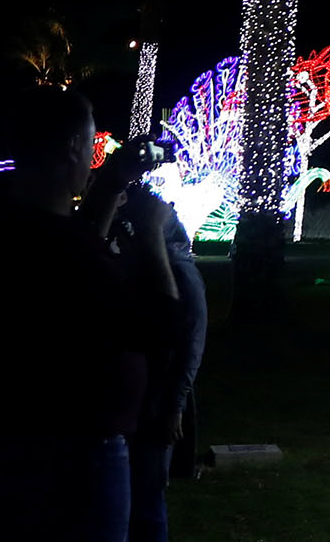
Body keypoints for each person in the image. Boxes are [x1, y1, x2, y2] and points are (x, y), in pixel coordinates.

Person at [0, 88, 180, 542]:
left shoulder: (2, 222)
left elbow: (79, 242)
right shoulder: (59, 250)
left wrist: (113, 181)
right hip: (77, 457)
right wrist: (155, 235)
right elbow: (162, 325)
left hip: (8, 440)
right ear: (74, 147)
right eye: (92, 141)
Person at [119, 198, 207, 542]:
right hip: (146, 396)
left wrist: (175, 406)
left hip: (158, 399)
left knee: (146, 497)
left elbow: (190, 344)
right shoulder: (154, 268)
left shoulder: (179, 272)